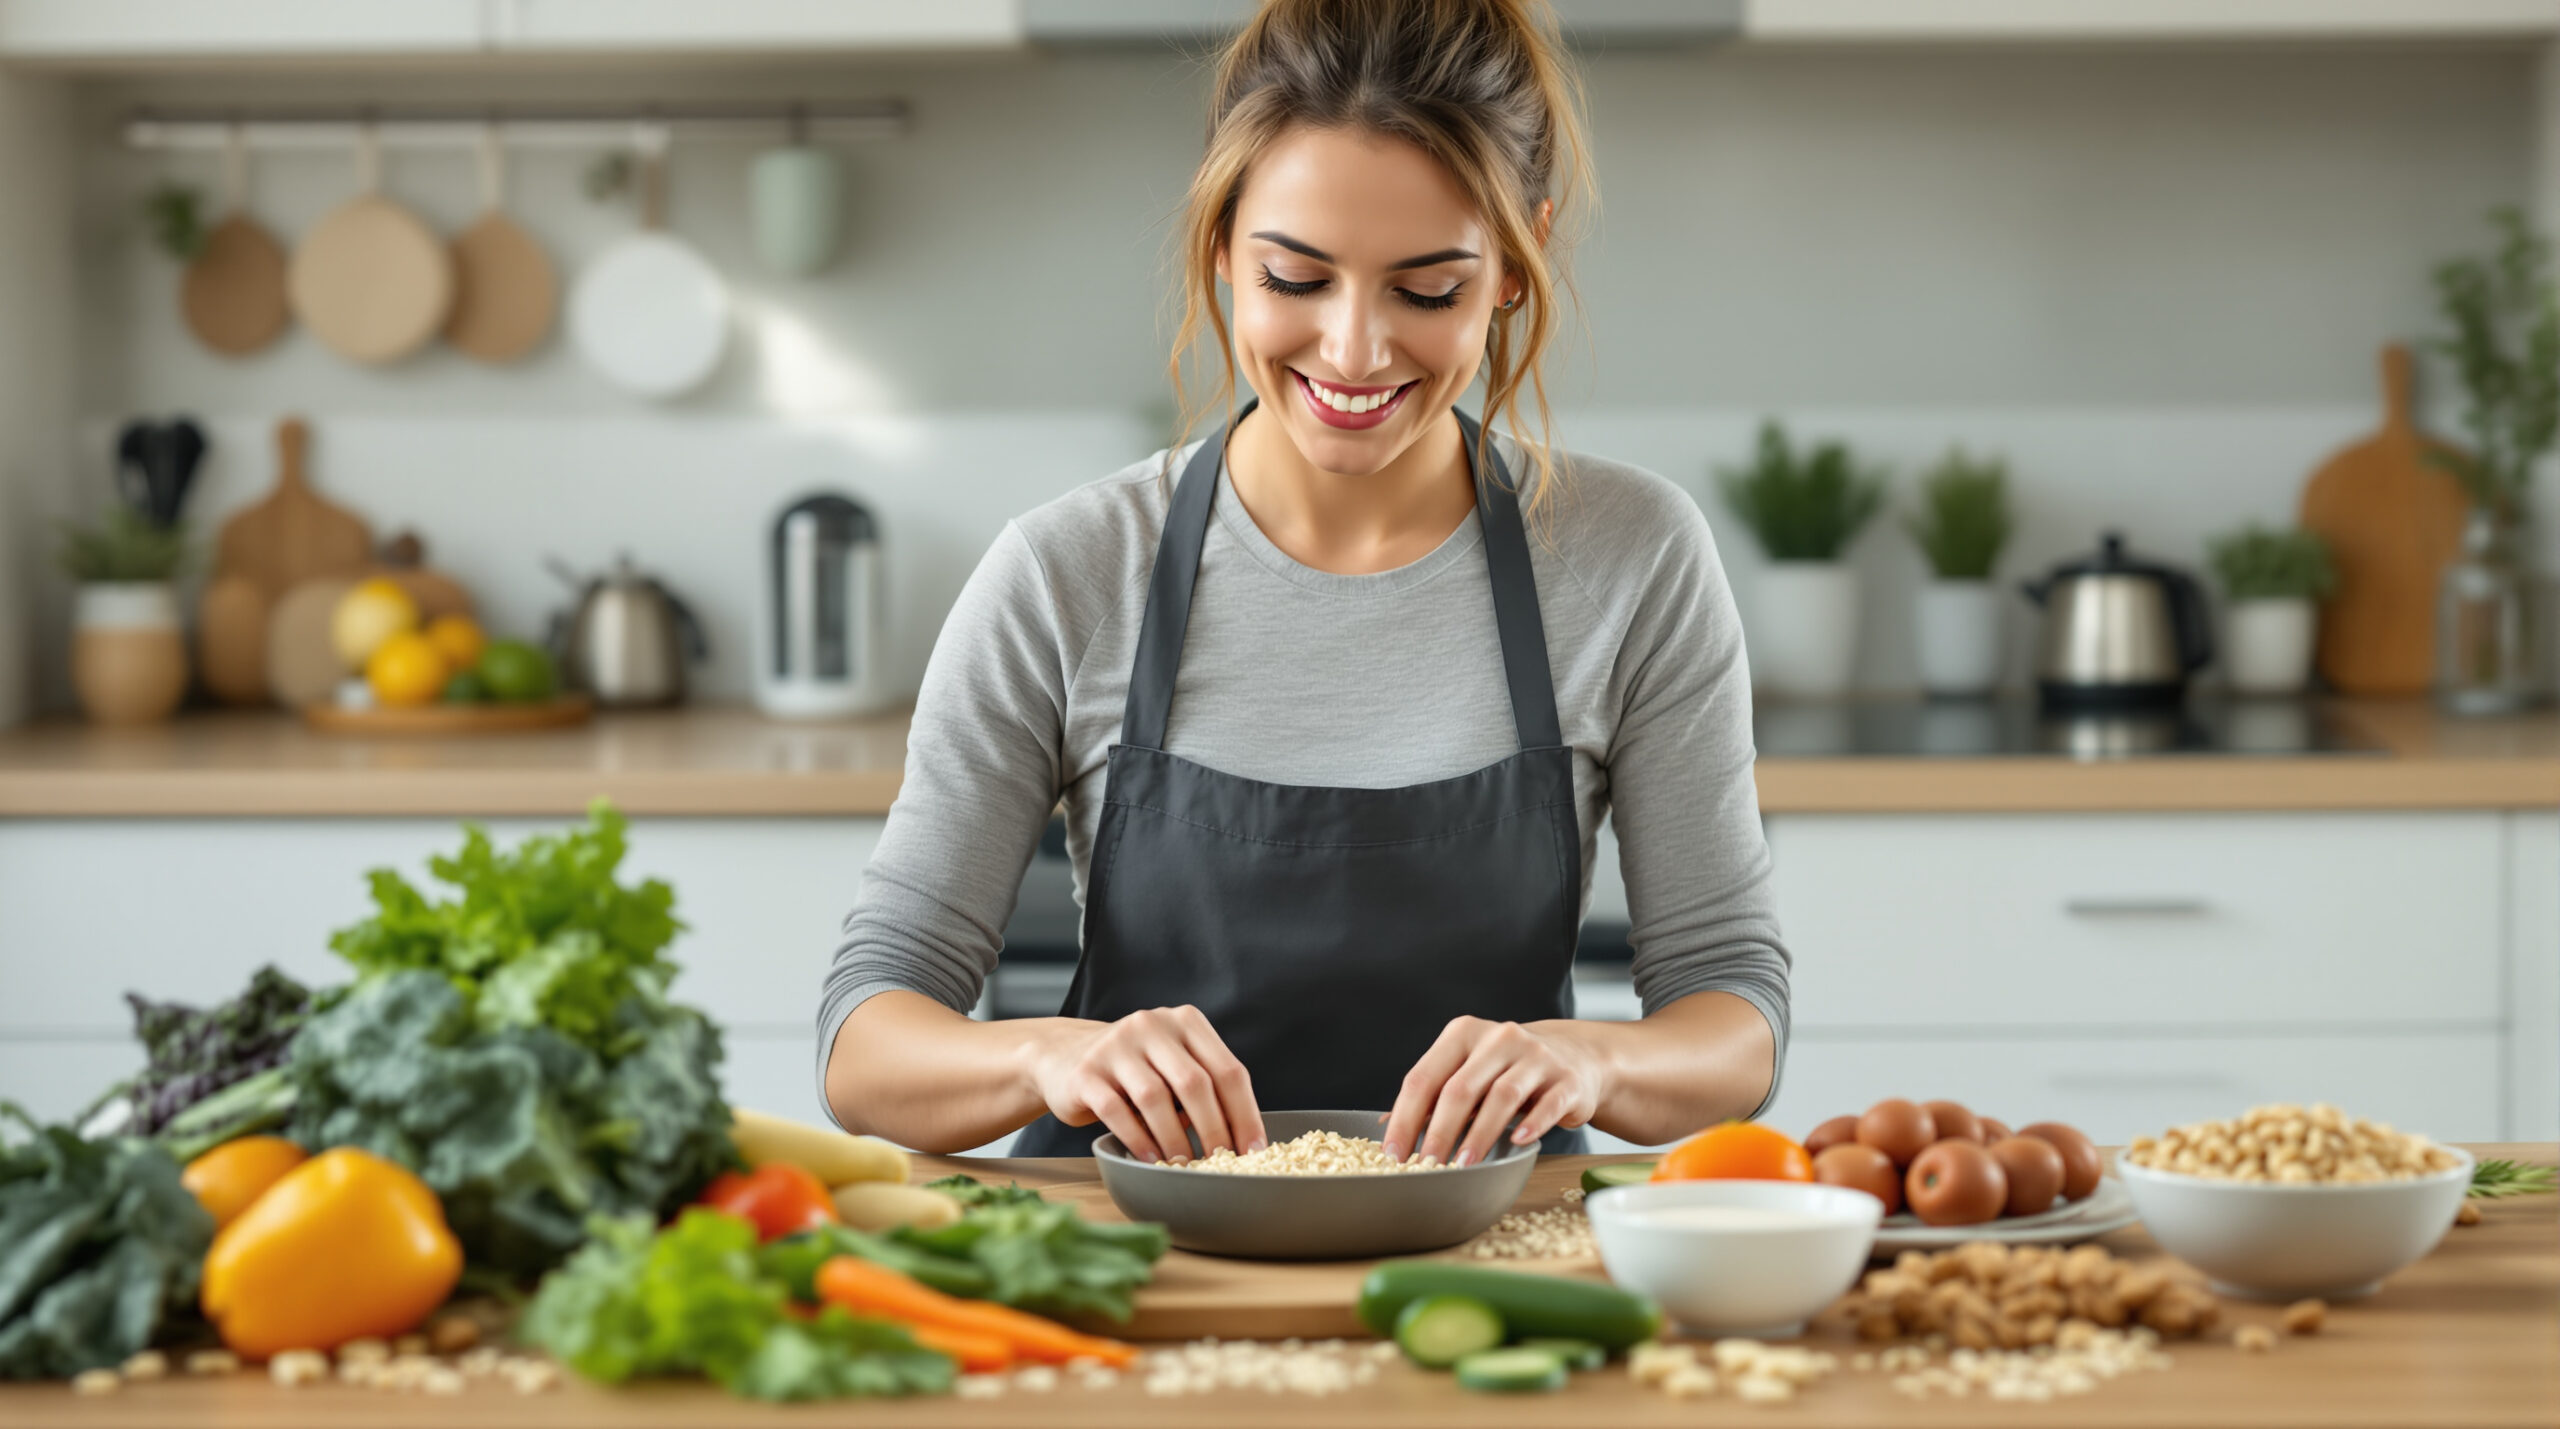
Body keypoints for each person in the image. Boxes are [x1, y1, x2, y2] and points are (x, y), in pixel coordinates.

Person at [820, 0, 1787, 1166]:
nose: (1353, 350)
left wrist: (1597, 1058)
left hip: (1497, 1257)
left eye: (1427, 290)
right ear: (1222, 243)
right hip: (1133, 1269)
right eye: (1295, 278)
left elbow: (1732, 1004)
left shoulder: (1631, 555)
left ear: (1517, 267)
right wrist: (1043, 1053)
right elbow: (865, 1035)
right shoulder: (1064, 572)